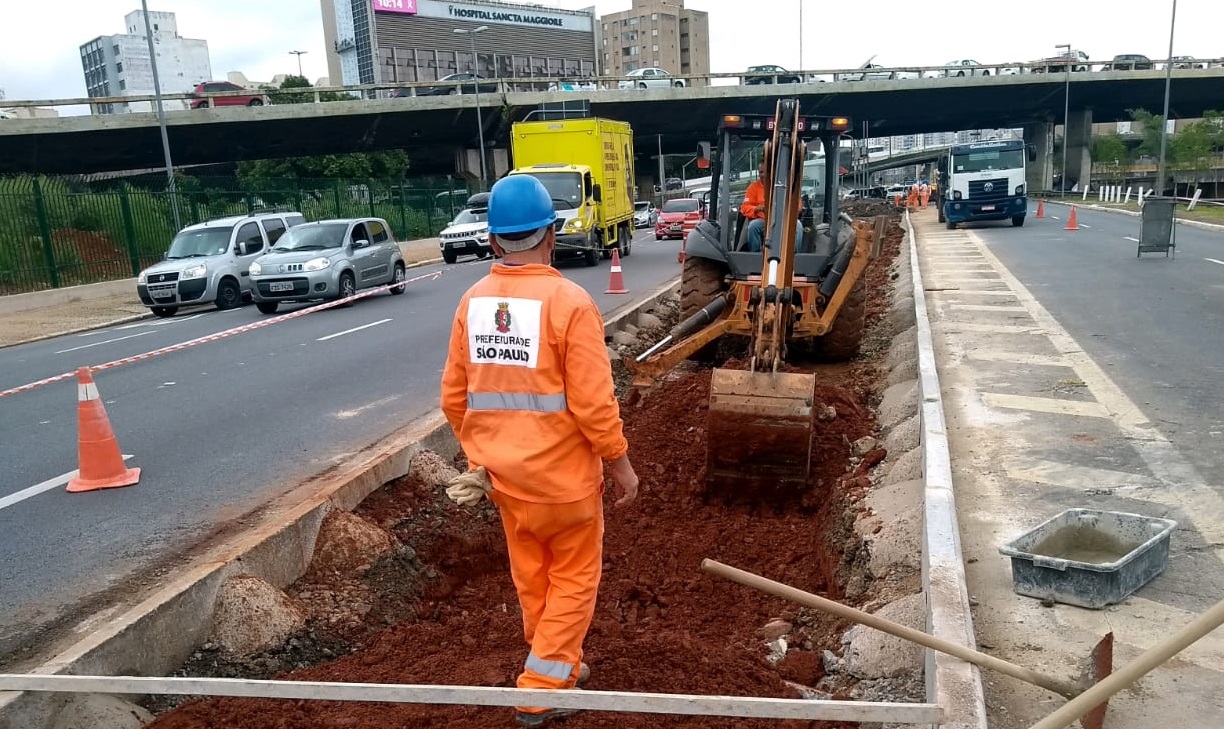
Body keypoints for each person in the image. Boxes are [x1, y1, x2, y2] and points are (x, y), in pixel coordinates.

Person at [439, 174, 640, 728]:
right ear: (550, 234)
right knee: (573, 580)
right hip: (566, 485)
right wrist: (621, 466)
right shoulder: (569, 303)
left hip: (507, 483)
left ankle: (558, 666)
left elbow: (454, 399)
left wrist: (482, 454)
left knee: (533, 579)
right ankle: (540, 690)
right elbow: (595, 406)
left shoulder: (473, 302)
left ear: (495, 240)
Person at [741, 162, 805, 253]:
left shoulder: (785, 186)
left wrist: (789, 212)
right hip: (763, 221)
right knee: (753, 226)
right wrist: (757, 208)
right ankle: (755, 254)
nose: (763, 175)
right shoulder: (753, 188)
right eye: (761, 172)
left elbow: (798, 206)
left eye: (766, 172)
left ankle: (794, 255)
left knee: (798, 225)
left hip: (784, 221)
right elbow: (745, 208)